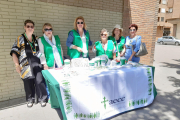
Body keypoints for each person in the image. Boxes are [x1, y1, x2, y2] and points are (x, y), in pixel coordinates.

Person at [10, 20, 47, 107]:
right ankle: (30, 100)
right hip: (25, 65)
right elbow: (14, 53)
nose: (30, 28)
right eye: (28, 26)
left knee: (39, 81)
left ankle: (42, 99)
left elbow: (41, 51)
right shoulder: (20, 38)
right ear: (25, 27)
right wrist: (16, 65)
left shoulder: (36, 38)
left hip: (37, 64)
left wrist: (44, 63)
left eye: (32, 26)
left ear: (33, 28)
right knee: (28, 83)